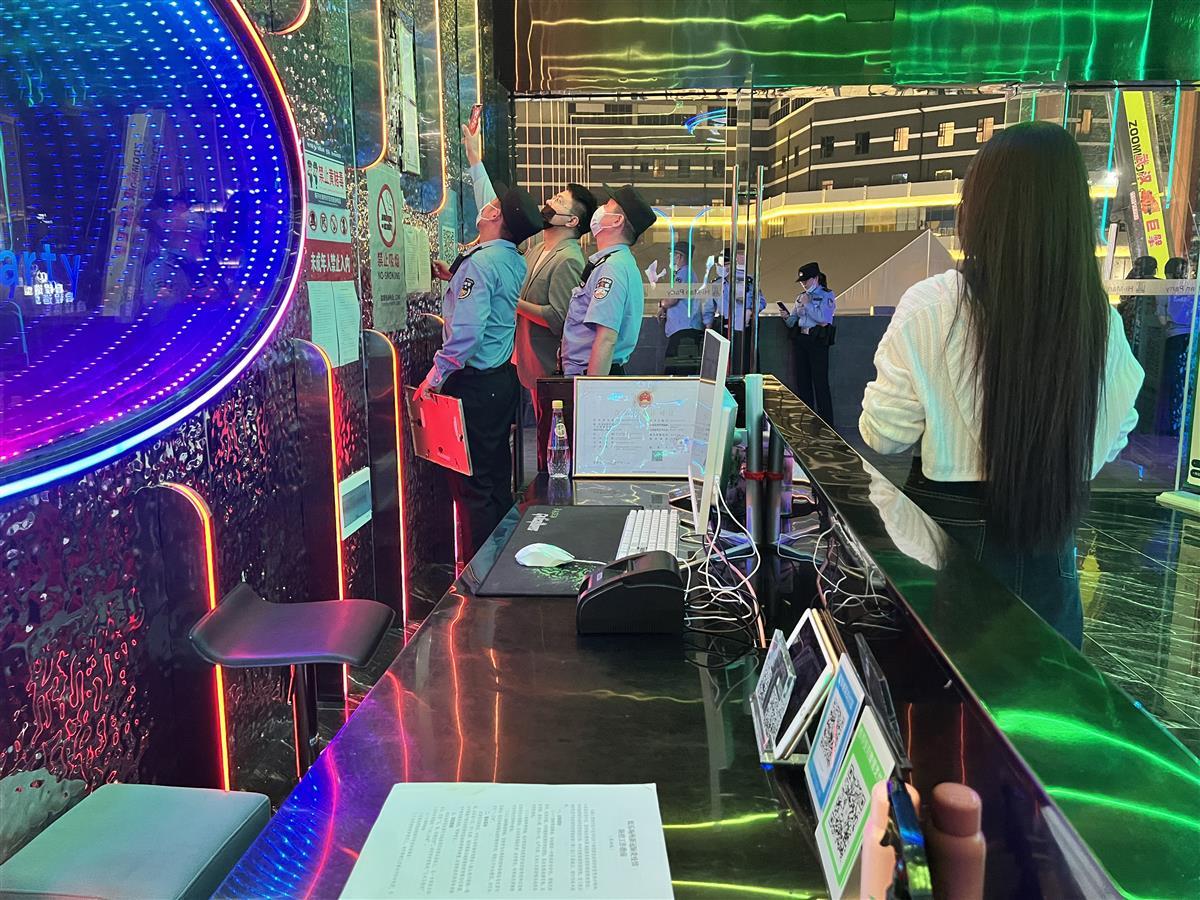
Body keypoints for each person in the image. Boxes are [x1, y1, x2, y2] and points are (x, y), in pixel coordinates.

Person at [859, 121, 1144, 648]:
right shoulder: (1098, 319)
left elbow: (884, 434)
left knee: (945, 696)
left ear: (980, 208)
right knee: (1042, 694)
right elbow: (1118, 427)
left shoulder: (933, 305)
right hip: (1050, 558)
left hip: (947, 557)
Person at [416, 173, 546, 561]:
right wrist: (456, 276)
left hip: (475, 384)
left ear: (494, 217)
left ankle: (480, 575)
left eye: (493, 206)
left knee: (473, 487)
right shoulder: (509, 257)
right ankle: (503, 561)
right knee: (495, 478)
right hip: (500, 379)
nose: (486, 206)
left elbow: (467, 334)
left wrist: (435, 377)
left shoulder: (482, 262)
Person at [459, 124, 597, 465]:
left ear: (572, 221)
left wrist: (513, 303)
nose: (548, 202)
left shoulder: (569, 258)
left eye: (559, 201)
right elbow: (496, 214)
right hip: (524, 363)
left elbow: (558, 318)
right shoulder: (536, 250)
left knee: (552, 446)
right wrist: (475, 159)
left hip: (547, 368)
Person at [560, 184, 655, 376]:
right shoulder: (616, 262)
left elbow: (606, 339)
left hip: (592, 374)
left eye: (607, 205)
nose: (600, 209)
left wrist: (592, 389)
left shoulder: (612, 267)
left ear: (616, 221)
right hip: (590, 374)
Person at [785, 261, 836, 424]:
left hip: (817, 340)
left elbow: (824, 318)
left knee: (820, 382)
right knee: (803, 381)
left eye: (806, 280)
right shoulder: (800, 296)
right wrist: (786, 317)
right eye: (801, 281)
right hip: (802, 339)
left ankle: (826, 422)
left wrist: (808, 305)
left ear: (815, 278)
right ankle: (807, 419)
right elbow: (794, 320)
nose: (803, 284)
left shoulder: (827, 295)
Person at [1158, 257, 1196, 435]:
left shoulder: (1164, 289)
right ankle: (1182, 424)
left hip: (1173, 338)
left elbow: (1162, 320)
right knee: (1186, 381)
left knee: (1170, 382)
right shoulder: (1191, 289)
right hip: (1191, 338)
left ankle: (1169, 426)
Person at [715, 242, 766, 372]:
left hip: (744, 328)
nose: (723, 267)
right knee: (724, 366)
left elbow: (761, 302)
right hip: (724, 327)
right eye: (721, 264)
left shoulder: (747, 281)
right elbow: (709, 308)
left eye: (726, 264)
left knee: (747, 363)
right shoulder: (716, 284)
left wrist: (751, 311)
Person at [660, 241, 712, 358]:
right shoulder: (686, 273)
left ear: (679, 256)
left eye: (672, 254)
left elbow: (672, 299)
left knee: (676, 364)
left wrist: (662, 304)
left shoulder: (683, 274)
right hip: (685, 328)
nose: (670, 257)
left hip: (684, 330)